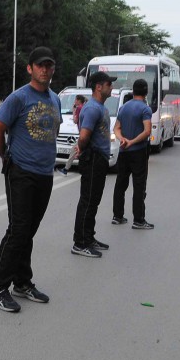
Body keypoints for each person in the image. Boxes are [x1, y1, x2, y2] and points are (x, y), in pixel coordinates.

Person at [0, 47, 62, 313]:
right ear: (30, 68)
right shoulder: (18, 98)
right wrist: (7, 157)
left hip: (45, 174)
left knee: (29, 230)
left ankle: (22, 282)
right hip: (21, 172)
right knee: (18, 230)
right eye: (40, 65)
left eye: (49, 65)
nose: (45, 69)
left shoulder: (55, 99)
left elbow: (53, 131)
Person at [72, 71, 117, 258]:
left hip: (99, 159)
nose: (111, 87)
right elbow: (83, 136)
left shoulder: (101, 107)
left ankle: (89, 237)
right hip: (93, 159)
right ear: (98, 86)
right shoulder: (92, 109)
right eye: (108, 84)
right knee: (88, 201)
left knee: (94, 201)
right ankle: (80, 242)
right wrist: (82, 149)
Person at [112, 79, 154, 229]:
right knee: (139, 185)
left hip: (123, 152)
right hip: (138, 152)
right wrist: (133, 141)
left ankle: (117, 216)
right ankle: (139, 220)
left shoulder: (123, 107)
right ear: (146, 92)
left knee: (120, 184)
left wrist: (122, 139)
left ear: (133, 91)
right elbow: (147, 131)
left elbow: (116, 128)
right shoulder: (145, 109)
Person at [58, 95, 86, 175]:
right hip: (84, 133)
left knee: (74, 150)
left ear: (78, 100)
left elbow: (75, 120)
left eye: (75, 100)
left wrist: (74, 111)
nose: (74, 101)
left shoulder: (78, 108)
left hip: (82, 134)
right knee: (80, 151)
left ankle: (66, 169)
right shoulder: (84, 107)